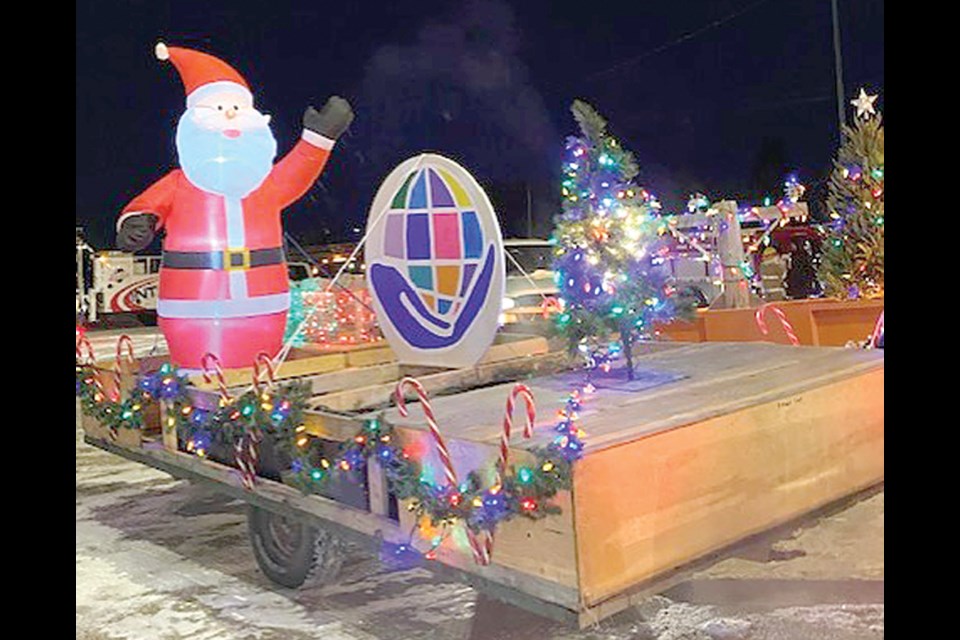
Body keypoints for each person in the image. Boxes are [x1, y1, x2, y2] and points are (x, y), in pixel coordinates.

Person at [116, 43, 354, 369]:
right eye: (217, 108)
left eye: (237, 107)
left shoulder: (264, 184)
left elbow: (296, 174)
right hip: (193, 302)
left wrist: (319, 139)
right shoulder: (179, 183)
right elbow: (148, 204)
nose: (229, 113)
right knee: (197, 376)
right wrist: (137, 221)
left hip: (264, 302)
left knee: (257, 374)